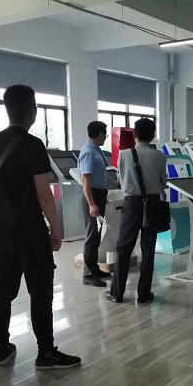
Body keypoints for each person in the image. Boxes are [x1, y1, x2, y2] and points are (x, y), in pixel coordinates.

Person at [0, 84, 81, 369]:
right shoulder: (33, 144)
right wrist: (56, 227)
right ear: (32, 111)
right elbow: (43, 192)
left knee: (4, 289)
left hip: (2, 231)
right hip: (30, 229)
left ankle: (2, 348)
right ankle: (45, 353)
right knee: (40, 291)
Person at [105, 118, 167, 304]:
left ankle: (117, 293)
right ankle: (143, 294)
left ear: (134, 134)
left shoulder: (124, 155)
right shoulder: (160, 156)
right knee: (148, 250)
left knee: (124, 248)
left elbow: (122, 180)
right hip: (153, 203)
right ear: (153, 135)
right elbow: (163, 183)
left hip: (132, 204)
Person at [78, 121, 110, 288]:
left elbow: (99, 174)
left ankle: (94, 269)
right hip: (92, 196)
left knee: (96, 235)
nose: (106, 137)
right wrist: (92, 204)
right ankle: (89, 274)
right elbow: (86, 181)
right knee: (92, 235)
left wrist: (113, 183)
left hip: (99, 194)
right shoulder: (89, 152)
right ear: (99, 134)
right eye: (105, 134)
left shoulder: (96, 149)